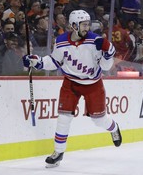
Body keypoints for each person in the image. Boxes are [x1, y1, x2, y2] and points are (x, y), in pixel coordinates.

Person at [22, 10, 122, 167]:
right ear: (74, 25)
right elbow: (54, 62)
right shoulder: (61, 41)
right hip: (70, 84)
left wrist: (108, 51)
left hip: (93, 85)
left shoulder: (95, 41)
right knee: (63, 118)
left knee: (99, 120)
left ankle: (114, 127)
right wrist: (37, 61)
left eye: (88, 24)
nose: (87, 28)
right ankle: (58, 152)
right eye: (84, 25)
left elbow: (106, 66)